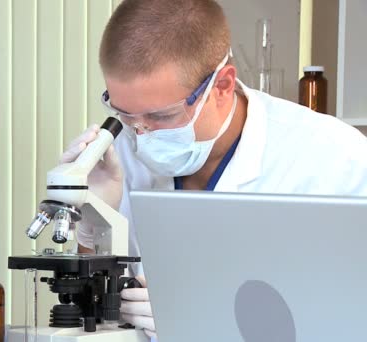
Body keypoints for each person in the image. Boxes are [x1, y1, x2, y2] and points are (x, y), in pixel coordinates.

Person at [59, 0, 367, 339]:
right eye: (126, 114)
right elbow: (89, 304)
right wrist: (93, 223)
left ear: (222, 86)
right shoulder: (117, 157)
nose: (142, 133)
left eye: (162, 116)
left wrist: (209, 321)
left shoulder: (335, 159)